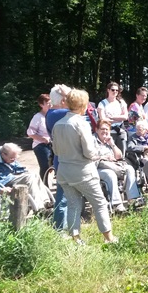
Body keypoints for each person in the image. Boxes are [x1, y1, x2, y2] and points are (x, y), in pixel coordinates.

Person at [52, 89, 117, 244]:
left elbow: (55, 151)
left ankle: (76, 239)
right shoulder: (82, 123)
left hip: (63, 172)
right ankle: (109, 238)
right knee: (99, 203)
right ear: (84, 105)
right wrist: (98, 154)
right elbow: (89, 152)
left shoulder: (57, 124)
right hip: (82, 172)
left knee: (73, 204)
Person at [0, 142, 52, 213]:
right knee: (29, 178)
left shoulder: (8, 155)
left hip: (9, 177)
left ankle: (46, 203)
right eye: (12, 158)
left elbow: (17, 166)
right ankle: (39, 209)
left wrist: (24, 170)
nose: (14, 160)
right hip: (0, 183)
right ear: (3, 154)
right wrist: (0, 189)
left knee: (34, 175)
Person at [95, 120, 142, 212]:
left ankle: (133, 199)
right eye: (102, 129)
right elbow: (89, 156)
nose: (105, 131)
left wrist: (112, 144)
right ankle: (117, 204)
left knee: (129, 168)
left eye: (107, 130)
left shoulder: (109, 141)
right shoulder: (92, 140)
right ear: (96, 130)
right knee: (110, 174)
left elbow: (119, 156)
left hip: (113, 165)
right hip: (98, 167)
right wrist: (104, 157)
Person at [46, 84, 71, 230]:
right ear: (63, 100)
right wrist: (70, 93)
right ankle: (60, 229)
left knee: (65, 196)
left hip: (62, 159)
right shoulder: (59, 113)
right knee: (62, 197)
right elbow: (83, 107)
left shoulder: (51, 113)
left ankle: (62, 226)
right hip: (65, 161)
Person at [97, 82, 129, 156]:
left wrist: (112, 117)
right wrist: (118, 118)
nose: (115, 92)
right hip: (108, 132)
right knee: (110, 154)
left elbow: (125, 117)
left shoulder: (121, 102)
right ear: (108, 90)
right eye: (113, 90)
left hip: (121, 131)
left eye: (117, 90)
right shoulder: (102, 103)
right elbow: (103, 120)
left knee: (122, 154)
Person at [27, 94, 53, 180]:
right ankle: (44, 186)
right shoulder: (38, 117)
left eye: (51, 103)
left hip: (52, 144)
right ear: (41, 105)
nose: (50, 105)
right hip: (41, 146)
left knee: (54, 165)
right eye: (48, 103)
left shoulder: (53, 115)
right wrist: (42, 139)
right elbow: (30, 133)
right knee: (45, 167)